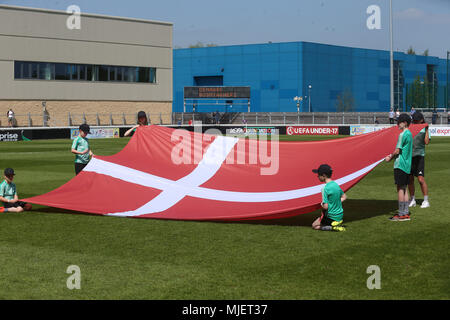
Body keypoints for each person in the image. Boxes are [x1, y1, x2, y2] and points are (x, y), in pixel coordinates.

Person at [385, 113, 413, 221]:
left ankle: (401, 214)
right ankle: (405, 213)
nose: (397, 124)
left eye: (399, 122)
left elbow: (398, 150)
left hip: (400, 164)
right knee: (404, 188)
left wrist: (390, 157)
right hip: (407, 164)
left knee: (400, 189)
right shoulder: (409, 134)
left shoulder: (402, 134)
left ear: (404, 123)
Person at [311, 164, 347, 232]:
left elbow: (325, 207)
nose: (317, 176)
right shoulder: (336, 184)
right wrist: (335, 202)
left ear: (324, 176)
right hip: (340, 216)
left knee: (314, 225)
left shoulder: (325, 188)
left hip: (331, 216)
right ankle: (335, 224)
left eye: (318, 175)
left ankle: (332, 227)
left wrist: (321, 204)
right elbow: (344, 197)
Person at [408, 112, 430, 208]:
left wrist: (426, 130)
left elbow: (426, 142)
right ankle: (412, 199)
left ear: (421, 120)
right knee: (410, 179)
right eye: (414, 119)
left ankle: (426, 200)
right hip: (409, 156)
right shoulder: (410, 127)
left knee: (420, 179)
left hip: (419, 156)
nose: (415, 121)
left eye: (417, 120)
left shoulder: (424, 128)